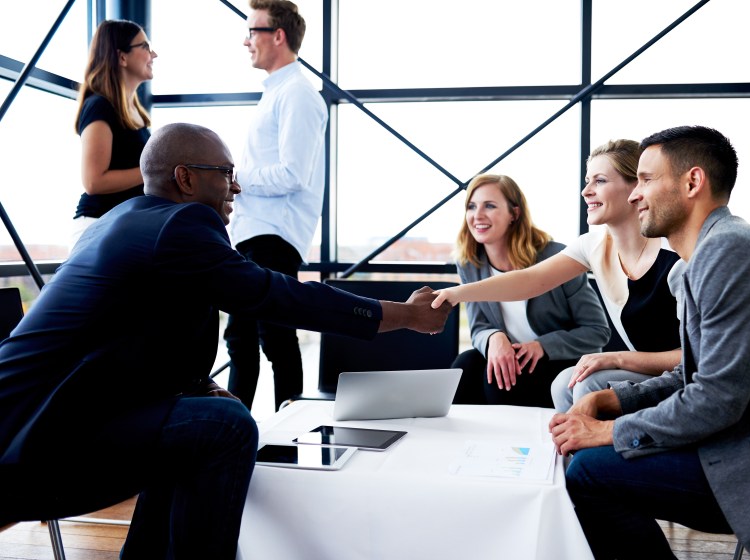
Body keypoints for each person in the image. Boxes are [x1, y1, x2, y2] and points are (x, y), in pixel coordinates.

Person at [0, 123, 451, 559]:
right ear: (185, 178)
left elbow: (127, 337)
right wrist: (406, 314)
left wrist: (198, 386)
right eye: (226, 173)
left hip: (28, 424)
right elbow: (279, 296)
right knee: (224, 427)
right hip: (36, 444)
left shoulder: (120, 221)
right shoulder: (182, 225)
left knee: (201, 421)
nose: (236, 187)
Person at [550, 125, 750, 560]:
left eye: (646, 179)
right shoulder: (707, 256)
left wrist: (607, 431)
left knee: (590, 472)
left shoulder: (731, 252)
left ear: (692, 182)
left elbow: (717, 398)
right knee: (591, 465)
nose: (634, 195)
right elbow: (696, 373)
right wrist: (611, 400)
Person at [432, 140, 684, 412]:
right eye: (587, 181)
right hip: (644, 370)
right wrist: (455, 294)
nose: (586, 191)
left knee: (577, 383)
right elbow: (529, 281)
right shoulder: (591, 246)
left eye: (599, 181)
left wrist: (617, 358)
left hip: (686, 373)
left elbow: (702, 357)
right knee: (557, 382)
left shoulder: (678, 258)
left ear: (637, 187)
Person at [224, 0, 327, 412]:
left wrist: (235, 178)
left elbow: (292, 174)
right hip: (257, 234)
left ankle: (286, 432)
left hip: (273, 236)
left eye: (253, 31)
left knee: (274, 336)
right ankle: (237, 429)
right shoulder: (279, 92)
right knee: (244, 337)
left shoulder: (297, 94)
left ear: (278, 36)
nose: (245, 40)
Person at [450, 173, 610, 408]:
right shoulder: (469, 264)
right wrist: (494, 338)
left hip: (559, 361)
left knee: (500, 381)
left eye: (490, 206)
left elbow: (597, 332)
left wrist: (542, 346)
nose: (477, 215)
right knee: (466, 365)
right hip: (512, 358)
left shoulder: (556, 256)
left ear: (514, 214)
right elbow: (478, 328)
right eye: (471, 207)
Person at [72, 19, 156, 248]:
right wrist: (155, 171)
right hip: (98, 226)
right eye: (145, 46)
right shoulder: (100, 106)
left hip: (121, 226)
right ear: (122, 57)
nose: (154, 54)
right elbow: (93, 181)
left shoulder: (133, 112)